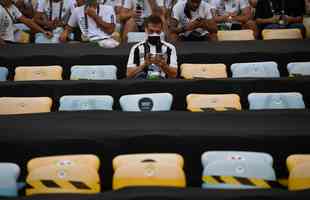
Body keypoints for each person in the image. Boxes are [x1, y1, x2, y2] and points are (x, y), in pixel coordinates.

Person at [127, 15, 178, 79]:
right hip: (142, 82)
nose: (154, 34)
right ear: (145, 29)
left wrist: (163, 65)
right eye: (151, 31)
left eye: (157, 32)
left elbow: (174, 75)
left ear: (161, 31)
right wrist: (144, 64)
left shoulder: (170, 48)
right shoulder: (136, 48)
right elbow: (128, 74)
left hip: (162, 82)